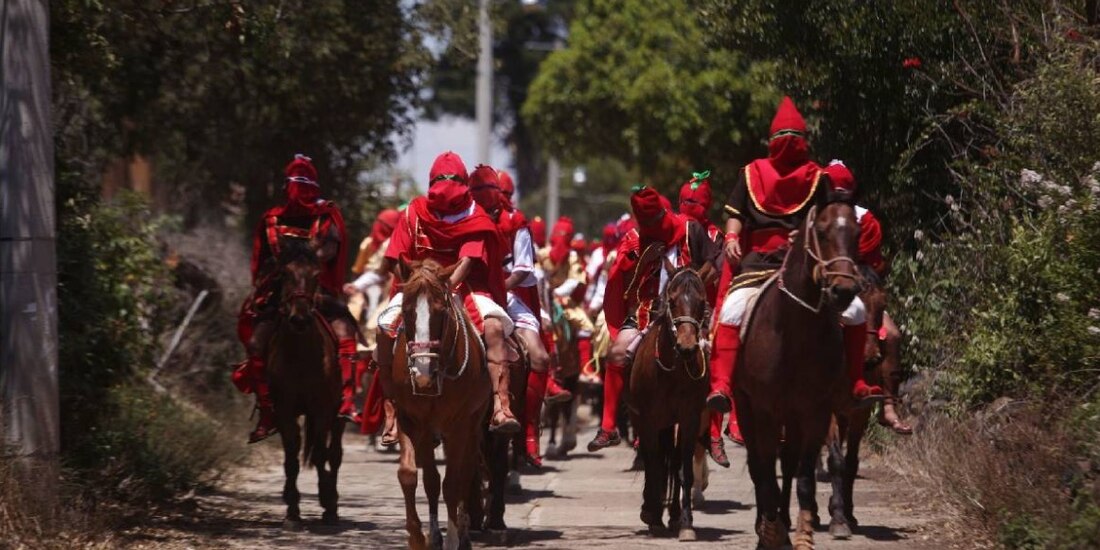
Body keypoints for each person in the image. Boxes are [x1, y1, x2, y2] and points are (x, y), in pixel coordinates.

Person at [707, 98, 883, 432]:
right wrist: (731, 238)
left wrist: (805, 236)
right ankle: (722, 386)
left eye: (796, 137)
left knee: (857, 309)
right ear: (773, 140)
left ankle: (855, 382)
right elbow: (735, 213)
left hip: (805, 265)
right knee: (731, 309)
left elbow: (826, 219)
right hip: (758, 263)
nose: (790, 143)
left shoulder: (817, 177)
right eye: (784, 137)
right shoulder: (751, 173)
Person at [371, 152, 521, 433]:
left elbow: (467, 261)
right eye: (440, 179)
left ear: (464, 183)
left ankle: (500, 404)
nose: (446, 185)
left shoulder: (474, 214)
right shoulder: (414, 211)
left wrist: (443, 288)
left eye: (452, 179)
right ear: (431, 182)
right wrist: (417, 287)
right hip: (418, 287)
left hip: (461, 285)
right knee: (383, 327)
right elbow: (395, 257)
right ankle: (391, 406)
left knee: (493, 328)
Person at [234, 154, 360, 443]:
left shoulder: (326, 216)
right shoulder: (271, 219)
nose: (298, 189)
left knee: (345, 332)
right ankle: (267, 410)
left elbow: (331, 249)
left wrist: (308, 260)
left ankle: (346, 400)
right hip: (282, 291)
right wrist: (277, 275)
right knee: (256, 342)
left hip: (318, 290)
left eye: (304, 182)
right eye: (294, 182)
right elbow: (261, 258)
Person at [588, 186, 722, 451]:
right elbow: (623, 283)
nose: (651, 227)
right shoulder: (633, 239)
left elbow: (713, 260)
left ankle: (715, 431)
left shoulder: (690, 229)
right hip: (646, 312)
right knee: (616, 353)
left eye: (655, 221)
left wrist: (694, 282)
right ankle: (608, 426)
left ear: (663, 213)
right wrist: (637, 261)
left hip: (687, 312)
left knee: (714, 350)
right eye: (645, 223)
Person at [468, 166, 572, 466]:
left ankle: (529, 432)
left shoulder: (516, 222)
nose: (492, 197)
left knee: (539, 356)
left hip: (509, 295)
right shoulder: (466, 216)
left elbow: (524, 270)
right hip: (469, 292)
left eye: (498, 192)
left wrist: (499, 288)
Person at [823, 161, 912, 435]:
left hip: (859, 289)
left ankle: (888, 405)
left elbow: (871, 263)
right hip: (825, 288)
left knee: (892, 335)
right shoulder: (816, 215)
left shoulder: (865, 219)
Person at [677, 170, 735, 467]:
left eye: (695, 202)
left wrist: (691, 284)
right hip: (674, 307)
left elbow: (716, 271)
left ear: (707, 205)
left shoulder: (717, 236)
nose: (689, 207)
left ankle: (714, 434)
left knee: (715, 361)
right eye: (685, 201)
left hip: (707, 310)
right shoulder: (672, 228)